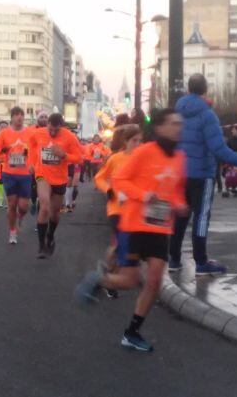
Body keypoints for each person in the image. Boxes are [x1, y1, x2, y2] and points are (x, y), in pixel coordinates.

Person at [75, 108, 188, 352]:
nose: (178, 128)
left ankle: (132, 331)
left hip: (160, 227)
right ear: (159, 128)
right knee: (130, 280)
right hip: (134, 224)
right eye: (173, 123)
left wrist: (179, 204)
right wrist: (144, 195)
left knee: (155, 279)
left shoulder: (179, 157)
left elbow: (176, 188)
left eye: (180, 124)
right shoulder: (144, 152)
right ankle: (98, 280)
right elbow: (120, 180)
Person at [170, 74, 237, 275]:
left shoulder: (176, 113)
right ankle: (201, 262)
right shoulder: (207, 115)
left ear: (188, 89)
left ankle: (174, 259)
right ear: (206, 91)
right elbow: (218, 149)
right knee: (201, 216)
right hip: (202, 174)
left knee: (179, 216)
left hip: (180, 173)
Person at [94, 124, 143, 299]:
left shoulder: (143, 160)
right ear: (126, 142)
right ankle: (109, 278)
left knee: (123, 246)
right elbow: (99, 178)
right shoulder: (115, 159)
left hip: (135, 211)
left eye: (140, 141)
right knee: (120, 244)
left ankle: (107, 273)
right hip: (116, 209)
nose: (137, 144)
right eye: (134, 141)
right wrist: (108, 190)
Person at [28, 112, 82, 258]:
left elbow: (80, 157)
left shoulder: (69, 137)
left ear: (61, 126)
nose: (52, 132)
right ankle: (41, 246)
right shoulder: (38, 133)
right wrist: (31, 162)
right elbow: (30, 145)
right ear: (48, 124)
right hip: (42, 175)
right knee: (44, 207)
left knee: (55, 213)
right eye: (50, 129)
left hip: (59, 178)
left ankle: (50, 235)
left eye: (55, 130)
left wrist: (64, 155)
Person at [0, 106, 34, 244]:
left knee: (23, 206)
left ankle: (20, 216)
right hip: (9, 173)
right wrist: (2, 150)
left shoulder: (30, 132)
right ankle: (12, 233)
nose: (19, 117)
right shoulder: (4, 134)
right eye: (16, 114)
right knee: (12, 204)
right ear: (11, 118)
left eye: (21, 115)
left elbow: (36, 149)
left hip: (25, 174)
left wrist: (31, 157)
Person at [27, 110, 49, 218]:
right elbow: (27, 148)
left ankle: (41, 216)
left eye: (46, 117)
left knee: (43, 192)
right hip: (34, 164)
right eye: (42, 117)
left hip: (47, 165)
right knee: (34, 187)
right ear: (37, 119)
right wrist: (29, 163)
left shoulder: (51, 130)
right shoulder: (30, 130)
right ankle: (33, 201)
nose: (44, 119)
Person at [0, 121, 10, 210]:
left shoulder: (10, 139)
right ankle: (1, 200)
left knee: (9, 183)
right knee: (0, 182)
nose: (3, 129)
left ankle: (9, 201)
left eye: (5, 127)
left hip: (9, 164)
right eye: (2, 127)